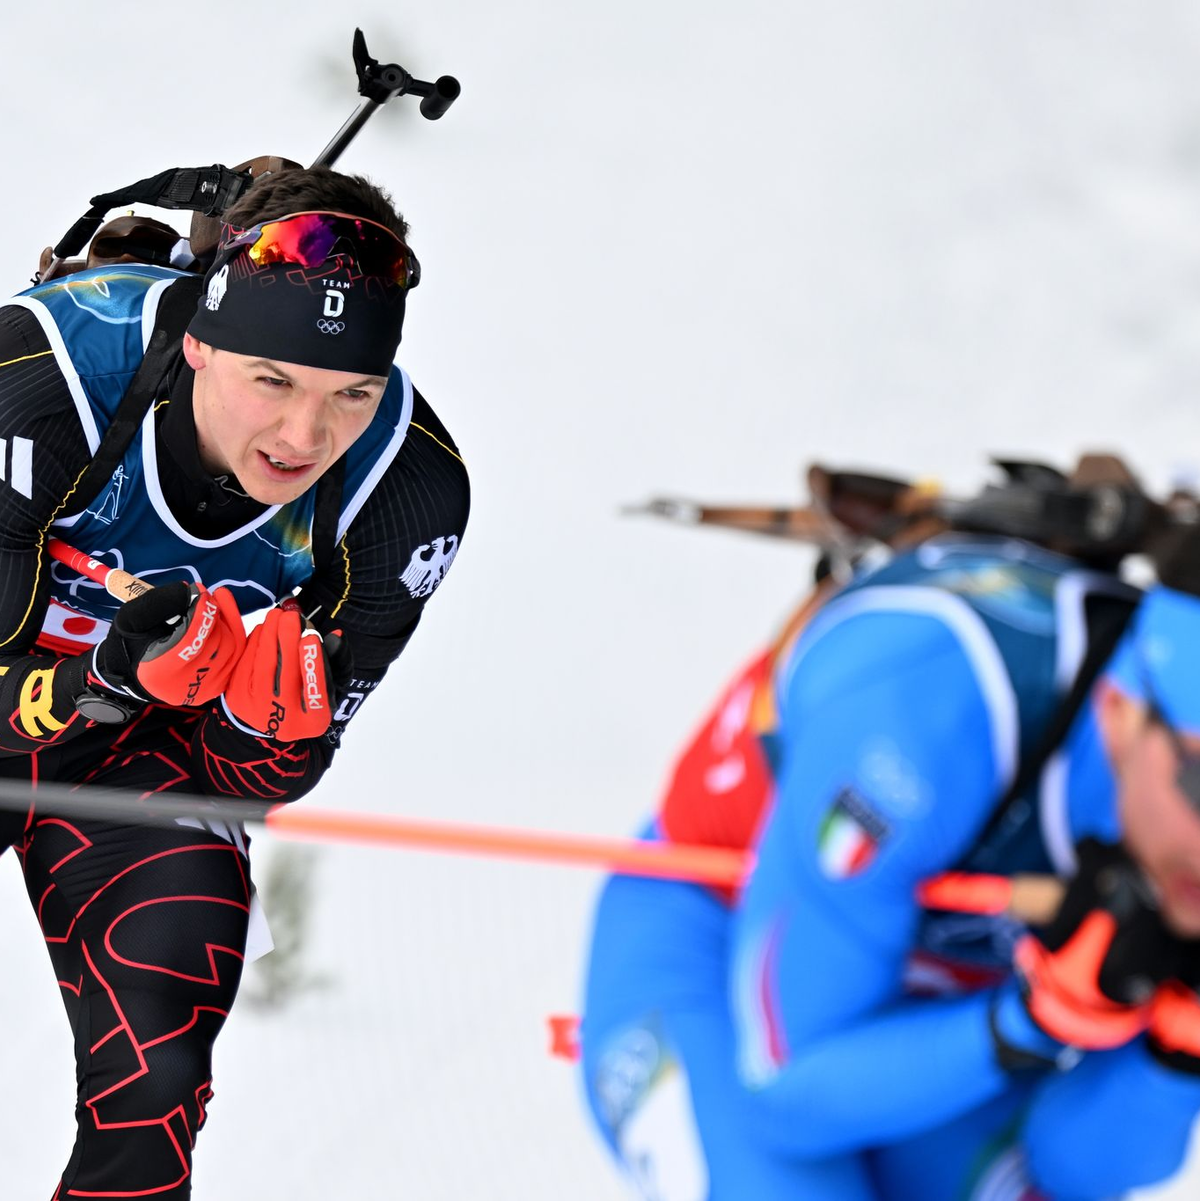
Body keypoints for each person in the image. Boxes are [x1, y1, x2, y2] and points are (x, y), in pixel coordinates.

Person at [0, 164, 468, 1195]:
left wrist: (265, 737)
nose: (305, 436)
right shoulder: (44, 377)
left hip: (128, 756)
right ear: (198, 341)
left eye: (350, 391)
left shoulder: (404, 488)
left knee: (157, 1075)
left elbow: (256, 783)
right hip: (31, 702)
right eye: (272, 380)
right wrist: (107, 674)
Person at [579, 526, 1200, 1199]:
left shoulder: (1172, 825)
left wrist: (1177, 1046)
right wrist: (1034, 1018)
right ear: (1123, 712)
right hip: (716, 959)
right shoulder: (920, 727)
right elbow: (783, 1096)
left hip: (940, 1016)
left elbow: (1072, 1170)